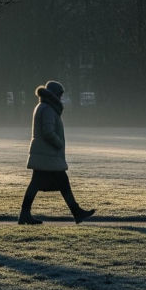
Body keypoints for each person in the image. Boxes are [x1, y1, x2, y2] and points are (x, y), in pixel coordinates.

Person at [18, 80, 96, 225]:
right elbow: (48, 132)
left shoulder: (43, 106)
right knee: (56, 182)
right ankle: (76, 212)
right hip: (47, 154)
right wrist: (59, 143)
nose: (60, 98)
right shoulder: (47, 108)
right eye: (59, 95)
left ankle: (25, 214)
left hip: (44, 154)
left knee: (49, 183)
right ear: (54, 94)